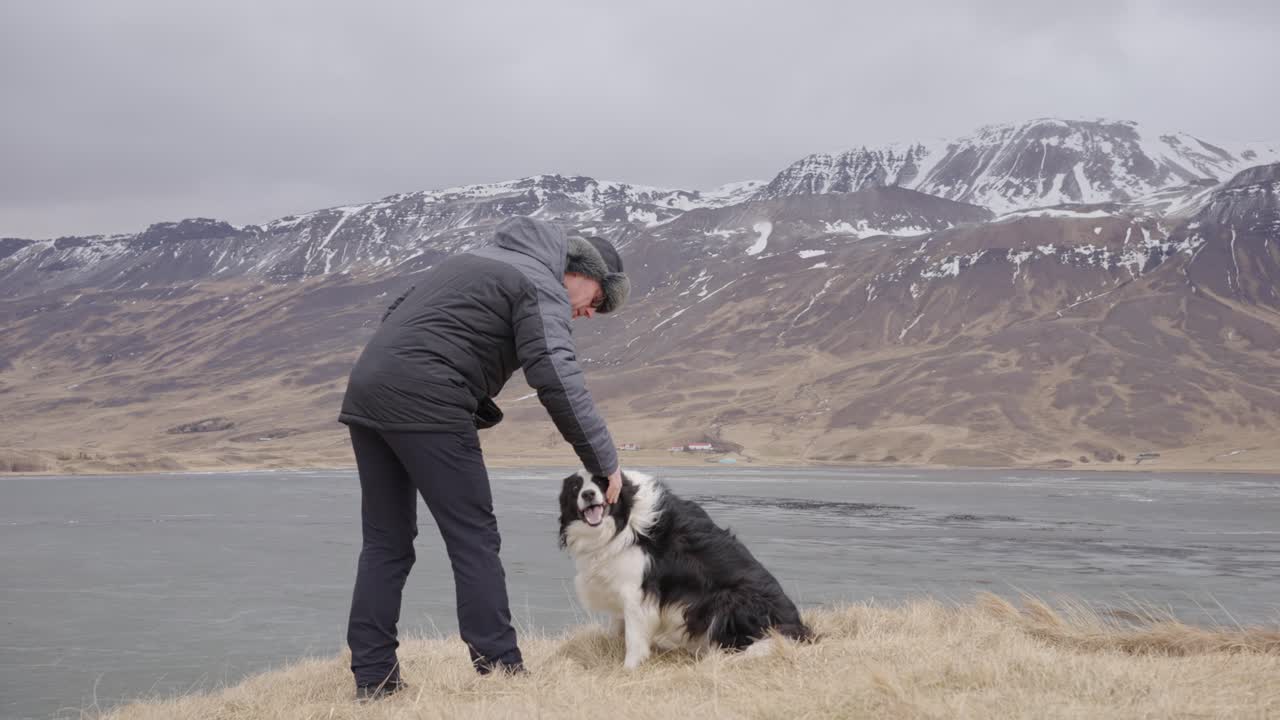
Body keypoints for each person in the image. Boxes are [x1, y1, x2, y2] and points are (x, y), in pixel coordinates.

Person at [336, 216, 629, 699]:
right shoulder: (540, 283)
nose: (590, 313)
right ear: (581, 273)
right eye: (597, 301)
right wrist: (604, 460)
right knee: (474, 536)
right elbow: (555, 375)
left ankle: (374, 680)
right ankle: (499, 670)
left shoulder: (477, 258)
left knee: (386, 542)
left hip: (369, 391)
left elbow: (399, 312)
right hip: (427, 399)